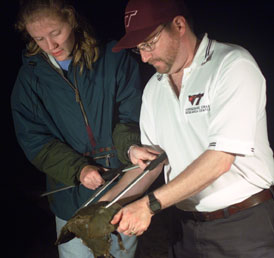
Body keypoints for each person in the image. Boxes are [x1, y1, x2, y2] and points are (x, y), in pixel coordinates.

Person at [99, 0, 274, 257]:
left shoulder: (231, 65)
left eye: (148, 43)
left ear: (178, 25)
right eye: (139, 49)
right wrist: (104, 207)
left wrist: (148, 206)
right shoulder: (154, 89)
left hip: (243, 224)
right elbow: (152, 163)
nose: (145, 57)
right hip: (184, 228)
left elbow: (220, 160)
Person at [11, 0, 143, 257]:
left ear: (71, 20)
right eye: (39, 39)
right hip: (71, 199)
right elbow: (34, 139)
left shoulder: (113, 58)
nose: (51, 46)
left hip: (120, 190)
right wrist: (78, 168)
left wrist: (130, 148)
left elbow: (131, 116)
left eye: (55, 33)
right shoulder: (30, 78)